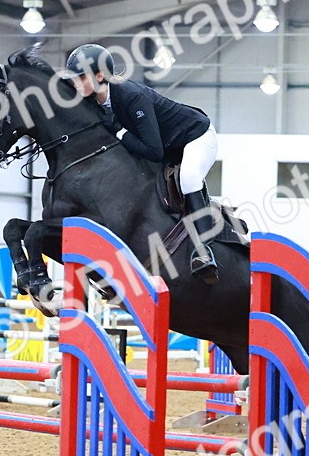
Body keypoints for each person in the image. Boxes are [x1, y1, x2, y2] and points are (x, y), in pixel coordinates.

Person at [64, 43, 221, 281]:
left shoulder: (131, 95)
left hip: (195, 136)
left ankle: (205, 250)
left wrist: (118, 131)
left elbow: (153, 150)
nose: (76, 84)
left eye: (80, 77)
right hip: (169, 144)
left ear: (99, 76)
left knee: (189, 178)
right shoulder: (93, 99)